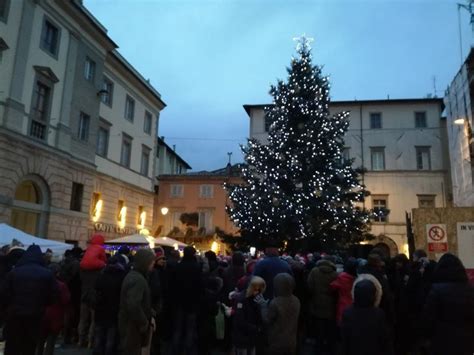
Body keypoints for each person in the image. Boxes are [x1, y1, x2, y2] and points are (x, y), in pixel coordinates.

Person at [2, 245, 57, 355]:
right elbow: (53, 296)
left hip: (15, 314)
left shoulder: (14, 272)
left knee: (12, 345)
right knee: (30, 346)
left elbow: (4, 294)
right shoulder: (47, 274)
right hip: (35, 315)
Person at [423, 253, 474, 355]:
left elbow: (428, 318)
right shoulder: (470, 290)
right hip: (467, 340)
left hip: (442, 339)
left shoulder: (436, 290)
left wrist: (427, 338)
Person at [341, 274, 393, 355]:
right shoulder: (379, 314)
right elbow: (384, 339)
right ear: (374, 295)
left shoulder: (347, 313)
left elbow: (344, 340)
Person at [118, 248, 156, 355]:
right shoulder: (137, 279)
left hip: (131, 324)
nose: (153, 265)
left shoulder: (136, 276)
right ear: (145, 262)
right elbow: (133, 304)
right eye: (151, 262)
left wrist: (149, 310)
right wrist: (143, 322)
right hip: (132, 326)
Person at [169, 246, 202, 355]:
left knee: (178, 329)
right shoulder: (197, 267)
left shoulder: (178, 267)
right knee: (189, 329)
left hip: (179, 302)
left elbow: (172, 285)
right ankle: (187, 350)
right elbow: (199, 286)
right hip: (192, 303)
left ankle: (175, 350)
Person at [258, 273, 300, 355]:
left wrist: (263, 306)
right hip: (292, 340)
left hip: (277, 342)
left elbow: (267, 320)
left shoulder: (275, 303)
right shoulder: (296, 300)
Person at [94, 255, 127, 355]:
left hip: (101, 309)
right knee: (111, 335)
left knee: (99, 333)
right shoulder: (121, 276)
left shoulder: (101, 275)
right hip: (113, 309)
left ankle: (97, 351)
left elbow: (96, 289)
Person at [78, 234, 107, 348]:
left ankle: (80, 340)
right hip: (94, 295)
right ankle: (91, 341)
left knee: (83, 318)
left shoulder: (84, 263)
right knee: (94, 320)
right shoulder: (99, 268)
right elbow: (105, 261)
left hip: (84, 294)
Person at [37, 263, 71, 355]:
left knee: (40, 341)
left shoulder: (40, 283)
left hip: (42, 314)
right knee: (51, 342)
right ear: (57, 273)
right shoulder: (62, 285)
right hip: (56, 316)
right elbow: (66, 300)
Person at [307, 256, 338, 354]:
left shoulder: (314, 271)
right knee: (329, 328)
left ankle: (318, 348)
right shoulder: (335, 274)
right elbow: (337, 290)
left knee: (319, 327)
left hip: (317, 302)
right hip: (330, 304)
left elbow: (309, 286)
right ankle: (329, 348)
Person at [232, 276, 266, 355]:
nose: (258, 292)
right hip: (243, 338)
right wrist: (256, 328)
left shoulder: (254, 298)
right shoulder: (241, 300)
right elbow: (240, 321)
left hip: (251, 337)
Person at [330, 257, 358, 326]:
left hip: (343, 305)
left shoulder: (342, 277)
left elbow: (332, 287)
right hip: (355, 306)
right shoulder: (358, 278)